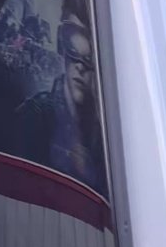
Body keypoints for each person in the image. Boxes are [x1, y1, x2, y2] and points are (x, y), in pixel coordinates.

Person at [10, 13, 106, 193]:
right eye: (73, 47)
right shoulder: (36, 116)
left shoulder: (107, 133)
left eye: (91, 57)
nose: (80, 66)